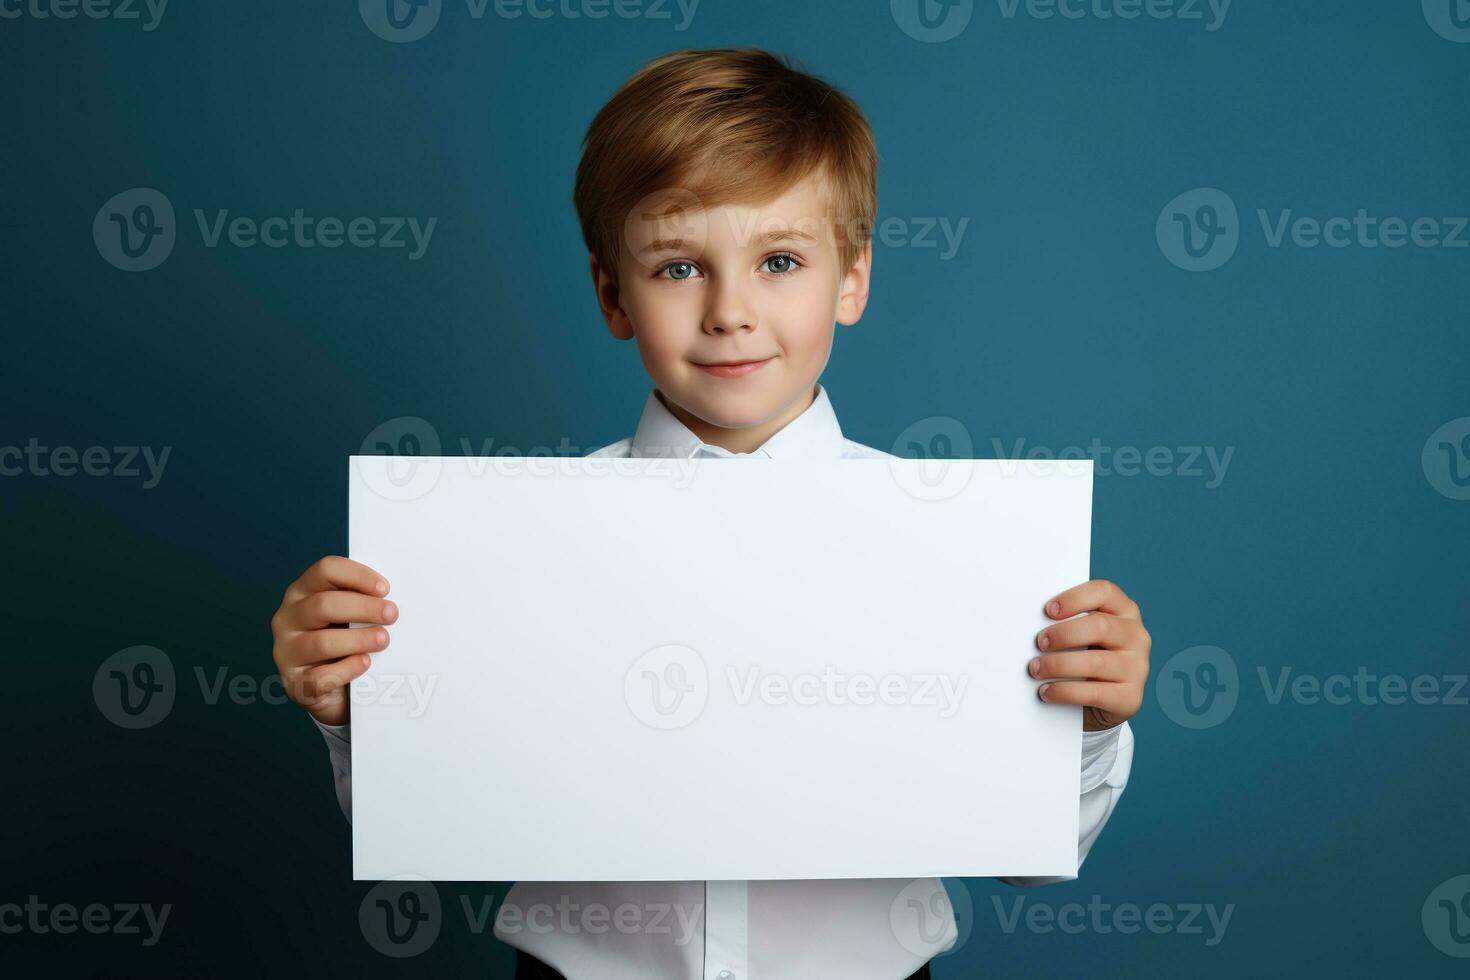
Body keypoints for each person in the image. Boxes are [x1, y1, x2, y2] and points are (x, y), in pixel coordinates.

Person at [270, 47, 1151, 980]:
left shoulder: (960, 550)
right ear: (614, 294)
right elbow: (439, 817)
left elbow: (1028, 860)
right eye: (680, 267)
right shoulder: (517, 550)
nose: (731, 311)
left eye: (779, 260)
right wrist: (353, 712)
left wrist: (1086, 727)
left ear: (851, 280)